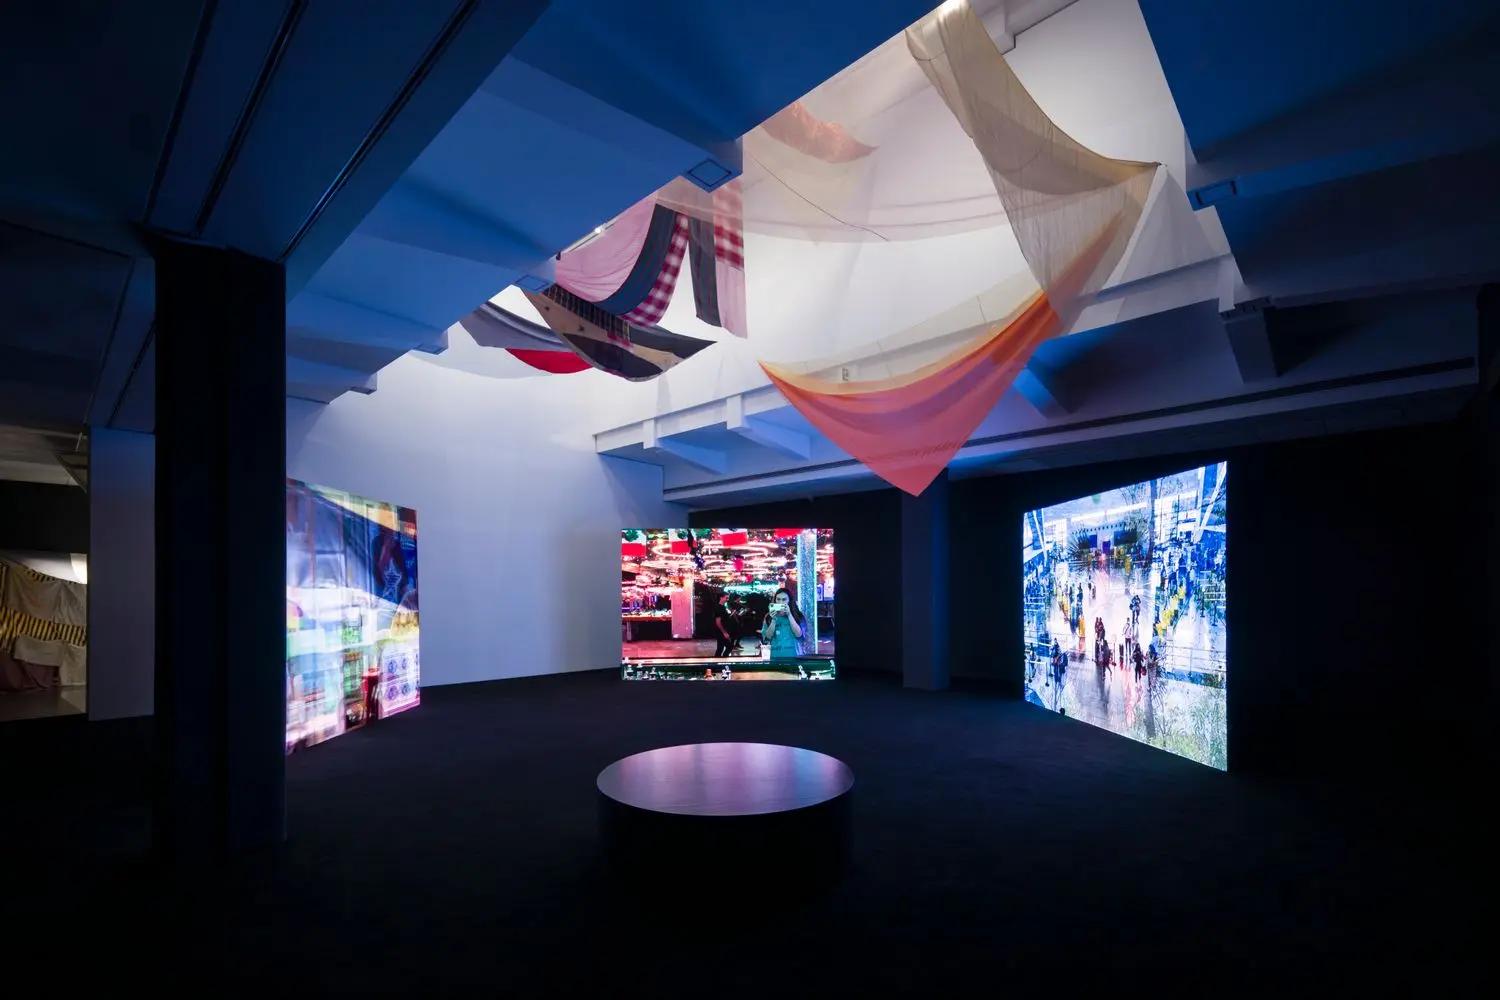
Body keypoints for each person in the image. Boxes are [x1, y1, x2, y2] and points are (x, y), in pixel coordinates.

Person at [761, 587, 805, 659]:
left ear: (789, 601)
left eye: (784, 599)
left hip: (794, 655)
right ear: (775, 600)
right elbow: (767, 638)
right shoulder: (769, 617)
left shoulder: (797, 615)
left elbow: (799, 635)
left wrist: (789, 615)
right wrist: (773, 620)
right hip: (775, 656)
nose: (781, 602)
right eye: (778, 599)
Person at [712, 593, 736, 658]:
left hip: (721, 630)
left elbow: (723, 618)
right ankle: (724, 658)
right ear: (721, 597)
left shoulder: (722, 607)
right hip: (720, 631)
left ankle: (718, 661)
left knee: (720, 648)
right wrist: (724, 632)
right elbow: (718, 622)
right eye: (726, 598)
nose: (727, 599)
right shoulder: (718, 608)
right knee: (729, 646)